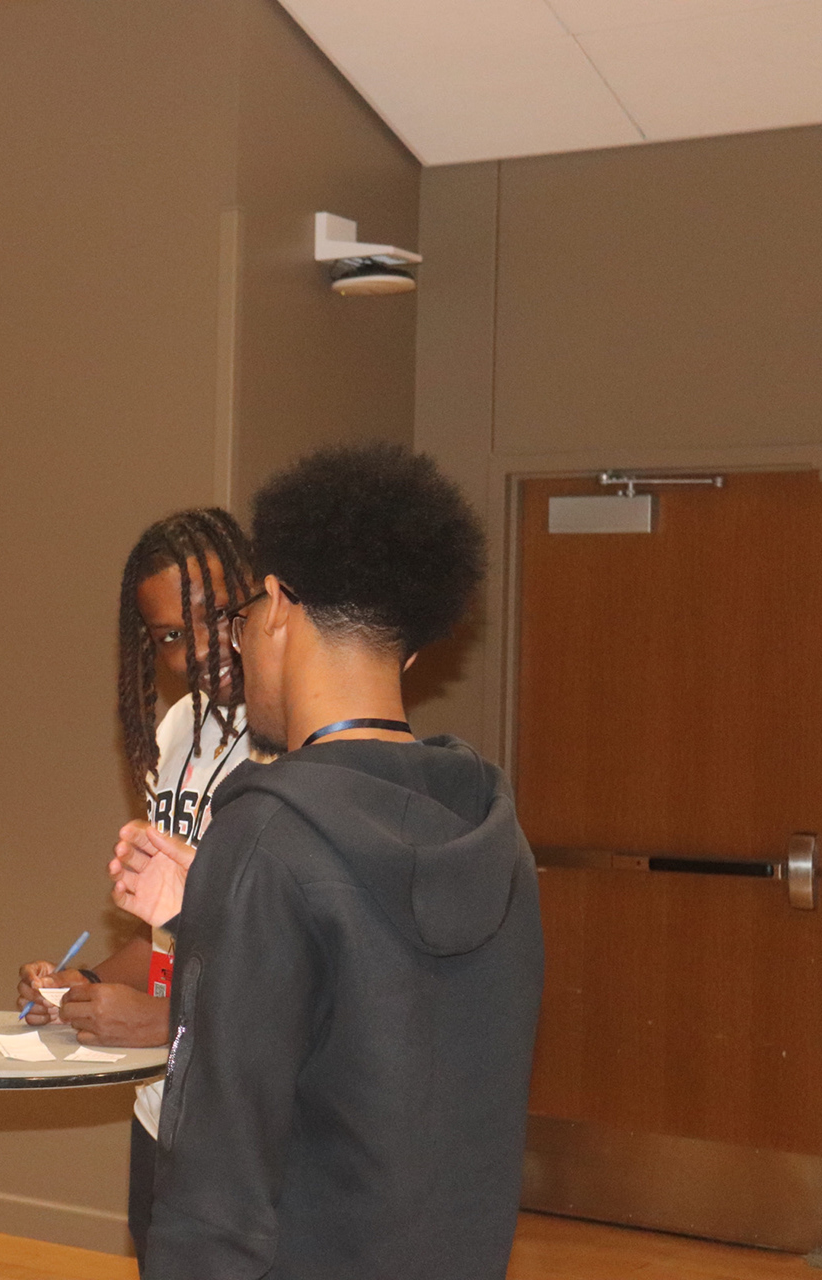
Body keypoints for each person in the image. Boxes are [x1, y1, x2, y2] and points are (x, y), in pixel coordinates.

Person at [116, 444, 544, 1280]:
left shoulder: (263, 837)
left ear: (276, 606)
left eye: (241, 618)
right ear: (407, 650)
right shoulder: (497, 836)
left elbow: (218, 1179)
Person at [13, 507, 259, 1265]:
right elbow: (170, 936)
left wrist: (166, 1021)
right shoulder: (177, 731)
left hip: (244, 1119)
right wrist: (86, 984)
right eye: (172, 635)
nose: (201, 649)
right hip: (160, 1106)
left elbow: (286, 953)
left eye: (219, 614)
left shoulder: (296, 743)